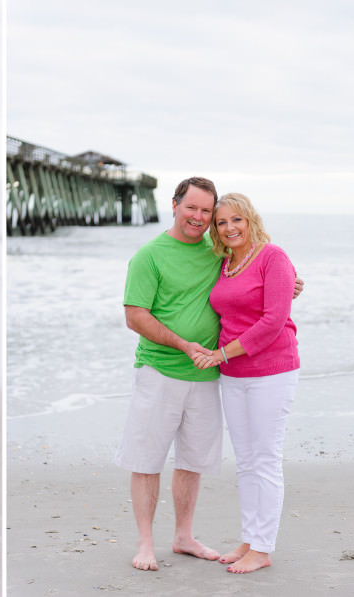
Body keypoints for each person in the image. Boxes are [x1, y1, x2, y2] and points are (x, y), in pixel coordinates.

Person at [116, 177, 226, 571]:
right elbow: (135, 316)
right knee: (147, 460)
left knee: (193, 460)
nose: (198, 217)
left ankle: (183, 536)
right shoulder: (149, 255)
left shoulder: (219, 251)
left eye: (206, 210)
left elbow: (251, 278)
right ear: (175, 204)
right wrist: (183, 345)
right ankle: (145, 543)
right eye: (191, 207)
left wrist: (288, 285)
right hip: (159, 371)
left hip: (206, 375)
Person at [193, 193, 299, 574]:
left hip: (272, 370)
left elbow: (273, 321)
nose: (230, 227)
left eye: (236, 219)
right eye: (221, 223)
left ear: (250, 219)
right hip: (234, 375)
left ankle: (264, 548)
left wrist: (222, 354)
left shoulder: (273, 257)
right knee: (246, 462)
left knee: (266, 459)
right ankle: (251, 538)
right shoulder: (224, 264)